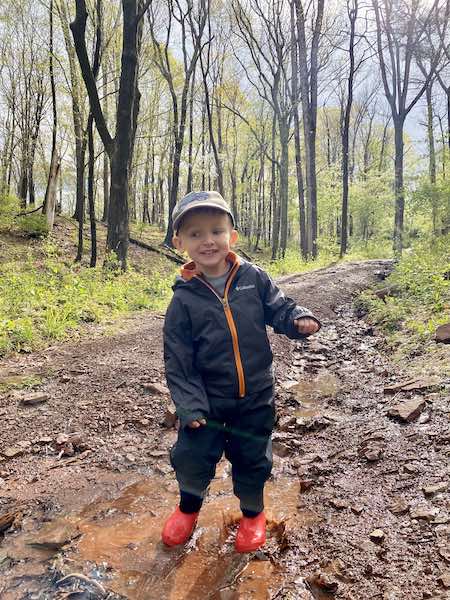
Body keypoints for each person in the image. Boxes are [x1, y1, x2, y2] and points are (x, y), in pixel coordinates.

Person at [161, 191, 321, 553]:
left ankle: (252, 514)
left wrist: (297, 320)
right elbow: (178, 360)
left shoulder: (253, 278)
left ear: (232, 236)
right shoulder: (183, 299)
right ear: (179, 242)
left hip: (256, 397)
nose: (208, 240)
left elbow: (279, 307)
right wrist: (189, 406)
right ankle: (188, 508)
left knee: (253, 459)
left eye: (216, 230)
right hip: (207, 404)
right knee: (191, 457)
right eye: (195, 233)